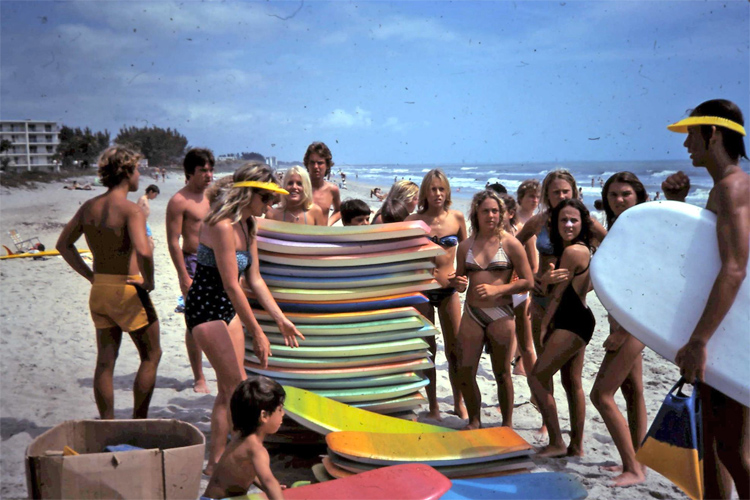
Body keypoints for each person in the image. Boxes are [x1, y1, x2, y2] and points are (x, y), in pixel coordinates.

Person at [185, 162, 303, 475]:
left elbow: (255, 281)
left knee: (228, 390)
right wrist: (258, 333)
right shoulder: (222, 224)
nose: (271, 205)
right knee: (239, 390)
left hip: (228, 307)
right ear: (248, 193)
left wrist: (279, 319)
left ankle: (216, 462)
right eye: (266, 198)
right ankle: (235, 463)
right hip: (206, 308)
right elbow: (230, 284)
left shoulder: (248, 225)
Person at [662, 99, 749, 500]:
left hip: (730, 333)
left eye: (691, 134)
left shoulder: (733, 187)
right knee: (716, 442)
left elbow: (734, 269)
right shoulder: (727, 186)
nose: (686, 145)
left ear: (712, 133)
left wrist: (698, 341)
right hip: (728, 328)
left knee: (730, 447)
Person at [56, 146, 161, 419]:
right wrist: (148, 280)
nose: (140, 174)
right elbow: (145, 250)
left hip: (100, 289)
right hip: (127, 289)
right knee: (152, 355)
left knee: (105, 362)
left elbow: (63, 245)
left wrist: (90, 275)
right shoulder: (130, 210)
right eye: (137, 169)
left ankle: (108, 423)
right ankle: (138, 420)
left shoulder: (89, 207)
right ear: (127, 172)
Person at [589, 172, 649, 487]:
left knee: (601, 394)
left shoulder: (640, 230)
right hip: (624, 323)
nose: (619, 200)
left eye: (625, 194)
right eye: (613, 195)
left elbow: (645, 286)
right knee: (632, 391)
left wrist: (623, 331)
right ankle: (640, 460)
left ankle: (634, 468)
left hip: (632, 326)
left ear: (638, 196)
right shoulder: (619, 229)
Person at [454, 190, 532, 429]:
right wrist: (458, 283)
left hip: (502, 314)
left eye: (495, 211)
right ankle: (475, 420)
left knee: (502, 374)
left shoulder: (510, 243)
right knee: (465, 370)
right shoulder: (465, 246)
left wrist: (498, 290)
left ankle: (506, 424)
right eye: (485, 210)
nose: (491, 215)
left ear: (502, 215)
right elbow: (460, 280)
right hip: (473, 313)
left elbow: (528, 281)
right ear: (476, 214)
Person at [528, 198, 595, 457]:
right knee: (572, 382)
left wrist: (545, 324)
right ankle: (576, 446)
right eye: (563, 220)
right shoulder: (583, 248)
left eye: (573, 220)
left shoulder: (572, 252)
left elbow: (556, 296)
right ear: (555, 224)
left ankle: (556, 442)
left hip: (570, 321)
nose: (568, 224)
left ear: (582, 223)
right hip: (580, 319)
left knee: (536, 376)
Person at [406, 169, 468, 420]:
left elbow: (467, 251)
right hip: (422, 293)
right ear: (425, 192)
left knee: (456, 349)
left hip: (449, 290)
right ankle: (433, 405)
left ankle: (458, 401)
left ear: (448, 191)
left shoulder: (457, 218)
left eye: (442, 189)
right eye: (433, 189)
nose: (438, 194)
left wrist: (464, 277)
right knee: (427, 351)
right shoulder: (413, 220)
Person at [166, 148, 215, 393]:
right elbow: (173, 241)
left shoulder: (214, 197)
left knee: (220, 319)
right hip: (193, 262)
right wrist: (183, 276)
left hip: (216, 262)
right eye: (202, 170)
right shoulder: (179, 201)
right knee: (194, 322)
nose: (208, 174)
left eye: (210, 169)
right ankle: (199, 377)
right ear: (189, 172)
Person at [202, 377, 286, 500]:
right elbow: (269, 482)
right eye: (279, 409)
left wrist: (272, 486)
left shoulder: (239, 438)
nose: (283, 413)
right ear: (264, 416)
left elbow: (250, 472)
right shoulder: (256, 450)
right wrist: (274, 489)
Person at [304, 142, 341, 226]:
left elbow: (339, 210)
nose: (316, 166)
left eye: (320, 163)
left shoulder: (332, 190)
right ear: (307, 164)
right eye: (312, 162)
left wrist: (328, 223)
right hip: (302, 236)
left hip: (322, 237)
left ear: (327, 165)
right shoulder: (300, 188)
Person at [137, 184, 160, 250]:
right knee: (150, 243)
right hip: (142, 223)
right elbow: (136, 211)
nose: (155, 197)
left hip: (145, 223)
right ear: (150, 192)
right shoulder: (142, 199)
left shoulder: (146, 199)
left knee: (150, 243)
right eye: (155, 194)